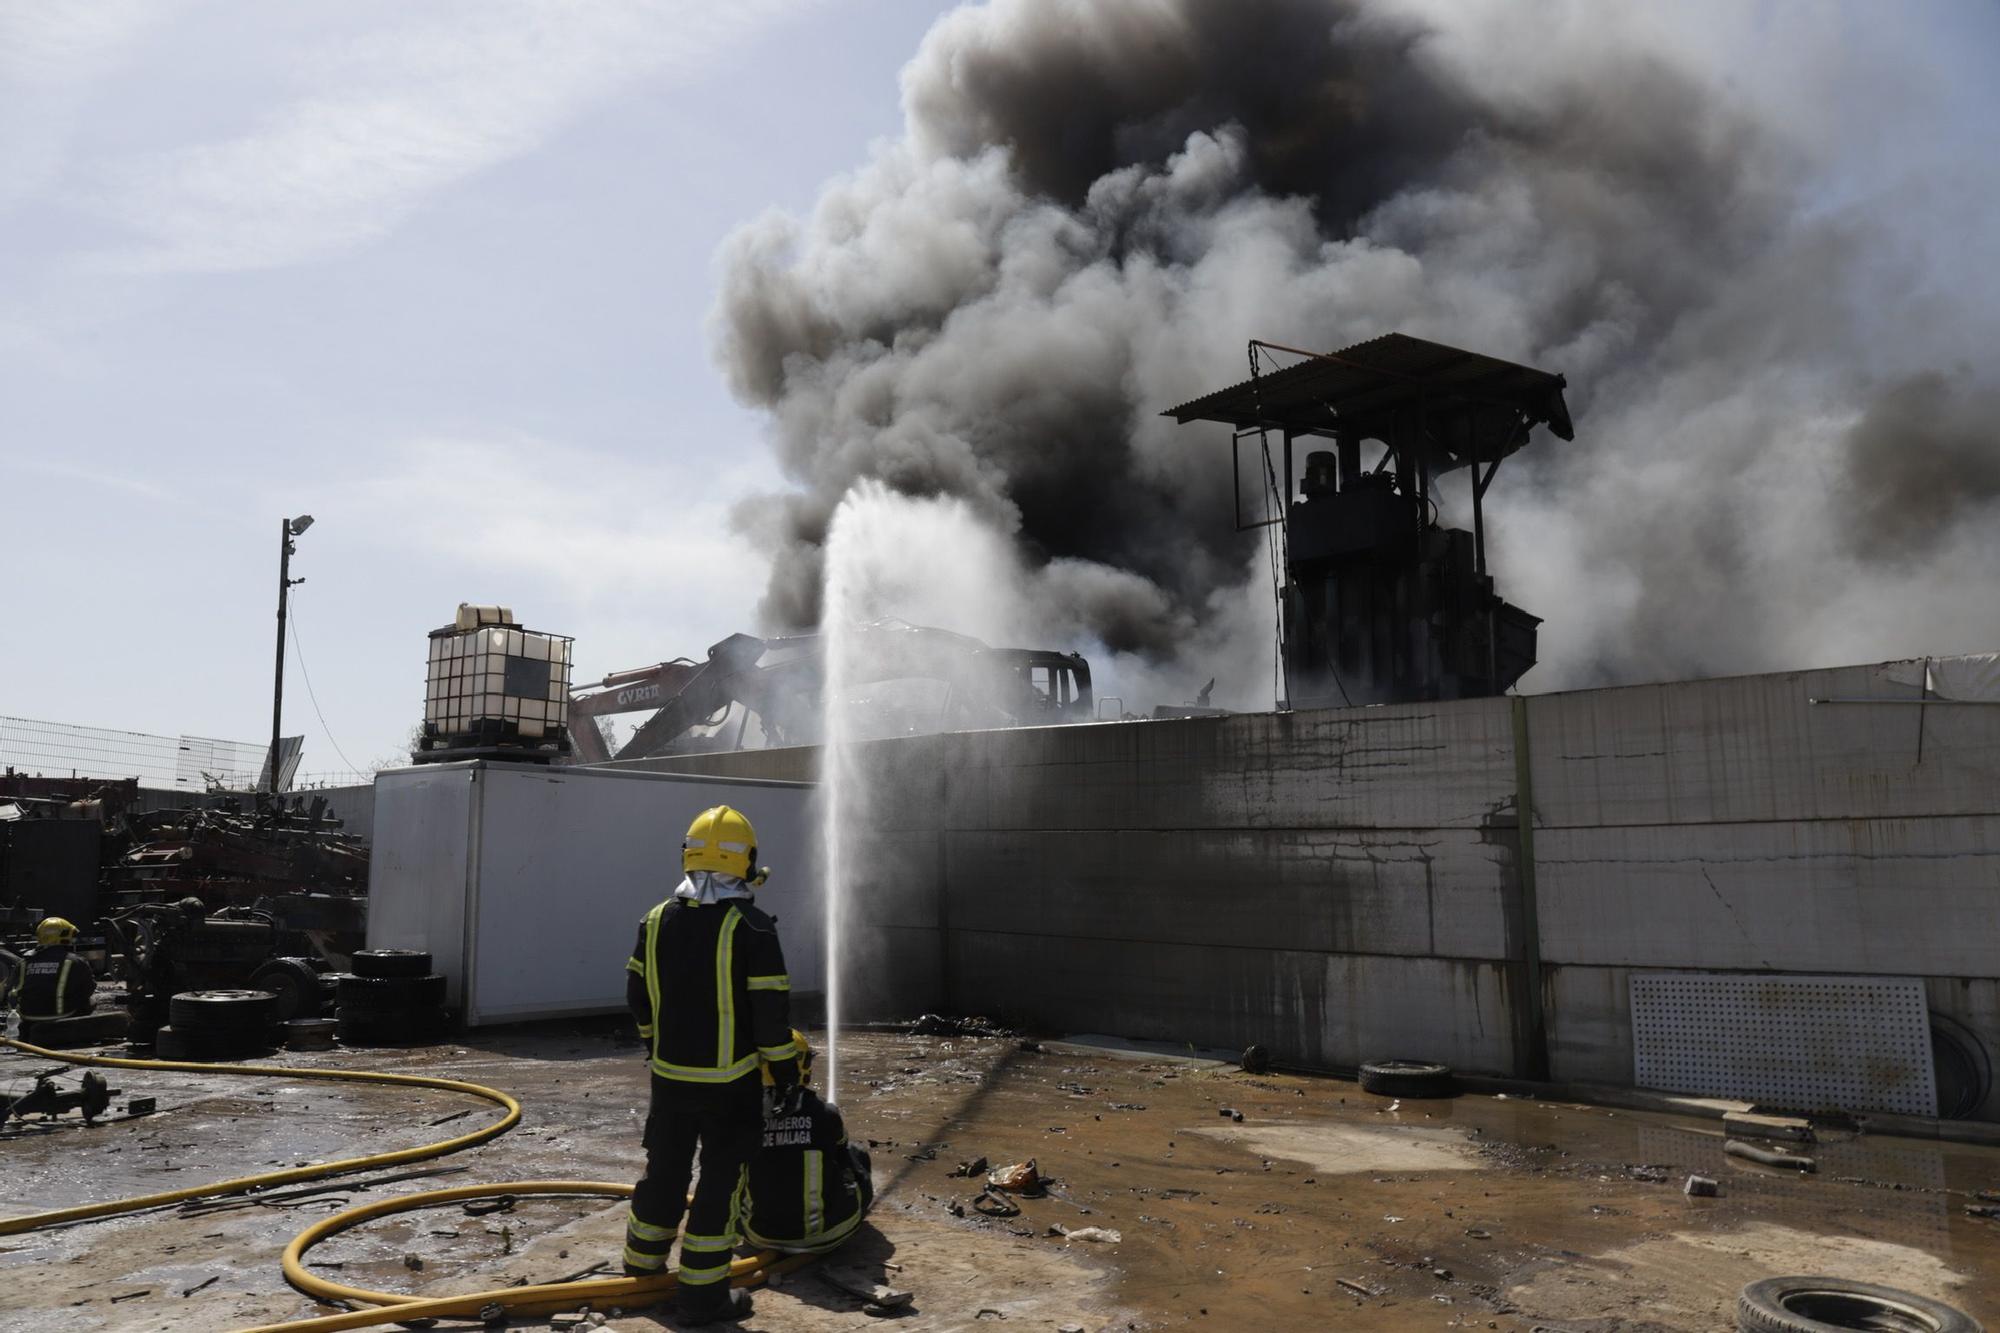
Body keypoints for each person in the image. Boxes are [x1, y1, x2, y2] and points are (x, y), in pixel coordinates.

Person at [623, 805, 800, 1326]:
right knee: (720, 1183)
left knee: (666, 1171)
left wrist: (655, 1045)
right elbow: (771, 1015)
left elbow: (637, 994)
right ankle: (703, 1298)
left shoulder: (655, 919)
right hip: (731, 1086)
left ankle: (641, 1269)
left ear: (688, 855)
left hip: (670, 1079)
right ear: (747, 861)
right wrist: (786, 1074)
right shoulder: (752, 926)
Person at [744, 1029, 874, 1255]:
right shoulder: (825, 1113)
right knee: (857, 1154)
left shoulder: (741, 1117)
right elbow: (845, 1160)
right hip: (829, 1235)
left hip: (759, 1236)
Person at [10, 917, 96, 1042]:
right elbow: (89, 988)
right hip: (63, 1016)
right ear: (64, 936)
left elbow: (12, 989)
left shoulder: (24, 962)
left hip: (28, 1017)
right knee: (91, 1001)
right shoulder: (75, 961)